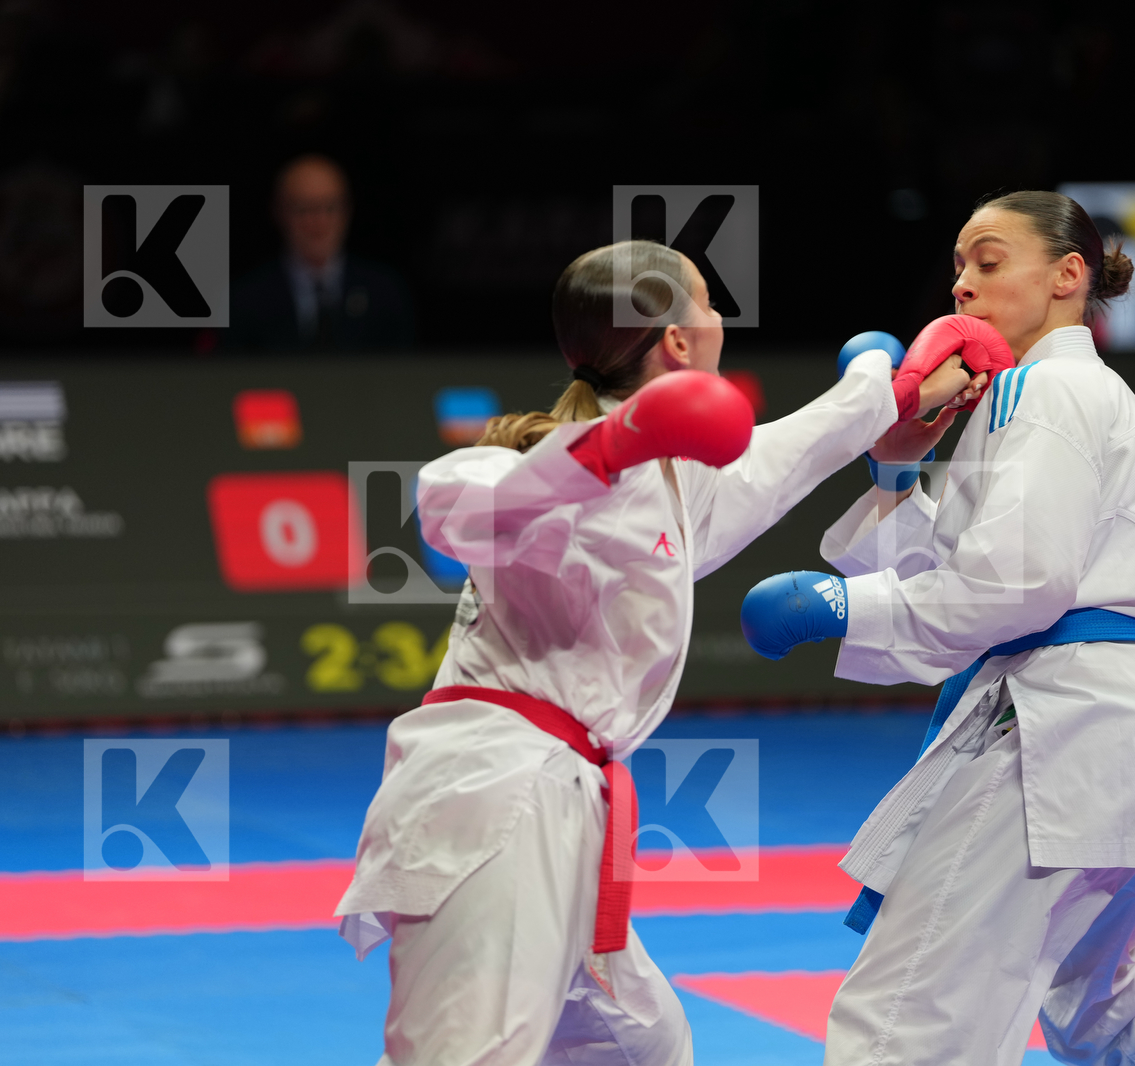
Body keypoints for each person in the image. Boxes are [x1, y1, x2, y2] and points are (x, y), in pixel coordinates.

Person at [333, 239, 980, 1066]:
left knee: (644, 1046)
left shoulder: (679, 480)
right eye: (707, 303)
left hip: (570, 809)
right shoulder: (552, 470)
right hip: (490, 798)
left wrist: (886, 381)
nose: (718, 320)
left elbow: (800, 448)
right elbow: (450, 507)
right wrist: (615, 445)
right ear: (677, 342)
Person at [740, 191, 1135, 1066]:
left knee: (906, 1017)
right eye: (960, 265)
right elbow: (957, 583)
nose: (962, 284)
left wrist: (842, 607)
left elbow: (1016, 589)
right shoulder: (1031, 399)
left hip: (1062, 738)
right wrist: (896, 475)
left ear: (1068, 276)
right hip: (1130, 738)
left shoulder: (1053, 387)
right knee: (1100, 999)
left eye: (990, 262)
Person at [228, 153, 414, 351]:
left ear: (347, 211)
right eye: (303, 209)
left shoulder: (385, 292)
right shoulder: (245, 299)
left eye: (330, 208)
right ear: (279, 211)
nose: (318, 221)